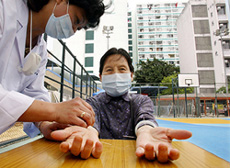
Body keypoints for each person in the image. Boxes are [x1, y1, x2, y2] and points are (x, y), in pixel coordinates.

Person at [43, 48, 192, 162]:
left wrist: (146, 131)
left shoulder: (141, 101)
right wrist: (88, 131)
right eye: (109, 70)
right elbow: (90, 123)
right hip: (99, 158)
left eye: (122, 69)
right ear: (100, 77)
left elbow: (145, 119)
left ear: (131, 75)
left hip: (134, 159)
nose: (116, 74)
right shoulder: (93, 102)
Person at [0, 0, 104, 137]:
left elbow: (34, 93)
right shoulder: (5, 10)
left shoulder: (40, 50)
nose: (72, 31)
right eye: (76, 20)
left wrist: (45, 123)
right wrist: (54, 111)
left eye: (78, 28)